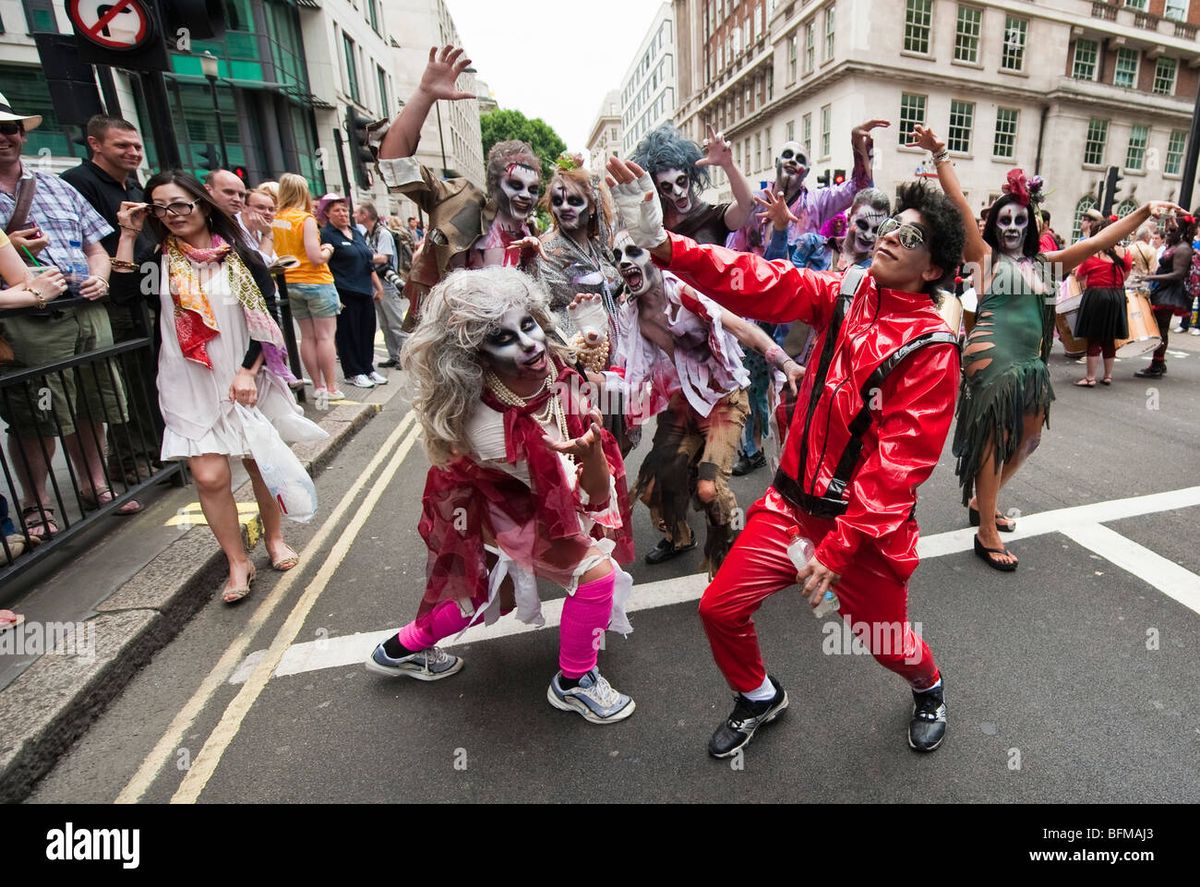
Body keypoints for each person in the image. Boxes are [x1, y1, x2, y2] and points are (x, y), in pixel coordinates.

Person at [607, 154, 963, 757]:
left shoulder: (931, 346)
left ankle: (928, 685)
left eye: (913, 236)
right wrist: (661, 243)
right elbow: (759, 278)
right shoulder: (845, 290)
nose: (892, 237)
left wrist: (841, 547)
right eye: (892, 225)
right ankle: (758, 695)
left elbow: (898, 467)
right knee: (720, 608)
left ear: (933, 267)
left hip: (861, 533)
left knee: (887, 643)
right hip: (789, 508)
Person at [366, 266, 637, 724]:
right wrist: (591, 453)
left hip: (502, 505)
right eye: (502, 338)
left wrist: (586, 341)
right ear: (473, 354)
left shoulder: (534, 368)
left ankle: (398, 651)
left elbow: (565, 368)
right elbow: (588, 501)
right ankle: (574, 682)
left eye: (527, 324)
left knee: (488, 594)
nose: (529, 344)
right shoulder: (495, 431)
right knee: (595, 575)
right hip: (518, 512)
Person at [911, 125, 1180, 571]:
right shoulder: (985, 259)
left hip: (1031, 363)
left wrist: (1145, 212)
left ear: (1031, 225)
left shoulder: (1047, 264)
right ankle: (986, 530)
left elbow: (1099, 241)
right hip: (990, 356)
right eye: (1005, 219)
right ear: (994, 225)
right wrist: (940, 152)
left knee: (1030, 437)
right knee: (994, 438)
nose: (1013, 226)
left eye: (1020, 219)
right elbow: (959, 203)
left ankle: (985, 499)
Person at [111, 172, 323, 603]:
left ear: (202, 205)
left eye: (180, 205)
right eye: (160, 208)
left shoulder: (242, 256)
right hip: (187, 378)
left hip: (244, 375)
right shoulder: (157, 258)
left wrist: (248, 371)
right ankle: (236, 561)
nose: (171, 215)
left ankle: (274, 539)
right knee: (208, 477)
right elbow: (121, 296)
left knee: (260, 464)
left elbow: (266, 320)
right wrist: (128, 234)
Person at [598, 229, 802, 575]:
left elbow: (739, 328)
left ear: (654, 257)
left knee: (708, 489)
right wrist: (579, 378)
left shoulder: (687, 295)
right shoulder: (632, 316)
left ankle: (727, 543)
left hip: (723, 400)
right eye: (618, 257)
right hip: (683, 403)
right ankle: (680, 537)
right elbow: (626, 373)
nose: (624, 262)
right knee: (652, 484)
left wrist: (783, 361)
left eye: (634, 251)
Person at [0, 92, 129, 538]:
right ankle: (37, 503)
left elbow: (96, 246)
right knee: (38, 414)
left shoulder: (55, 184)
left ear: (21, 133)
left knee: (93, 401)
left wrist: (101, 278)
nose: (4, 137)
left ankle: (95, 484)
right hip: (26, 319)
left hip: (86, 308)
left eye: (10, 128)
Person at [375, 46, 542, 331]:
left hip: (510, 348)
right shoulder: (460, 201)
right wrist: (425, 95)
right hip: (455, 340)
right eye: (515, 185)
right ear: (495, 183)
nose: (525, 195)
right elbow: (394, 162)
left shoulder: (530, 236)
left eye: (533, 189)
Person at [61, 114, 157, 497]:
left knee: (145, 375)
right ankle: (128, 459)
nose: (133, 152)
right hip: (109, 299)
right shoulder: (77, 184)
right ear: (95, 144)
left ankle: (151, 450)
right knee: (122, 383)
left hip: (142, 294)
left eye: (136, 146)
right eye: (122, 145)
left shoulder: (133, 183)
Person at [727, 121, 885, 255]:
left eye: (800, 159)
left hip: (797, 287)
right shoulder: (754, 201)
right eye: (787, 155)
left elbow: (860, 187)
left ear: (807, 171)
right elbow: (731, 252)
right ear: (776, 162)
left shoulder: (816, 202)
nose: (793, 161)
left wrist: (857, 144)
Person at [273, 173, 341, 399]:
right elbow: (316, 257)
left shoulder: (277, 219)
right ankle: (331, 388)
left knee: (308, 337)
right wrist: (329, 249)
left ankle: (318, 387)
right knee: (325, 337)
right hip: (315, 282)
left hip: (290, 283)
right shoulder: (305, 219)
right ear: (303, 192)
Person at [630, 122, 755, 245]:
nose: (677, 192)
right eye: (667, 186)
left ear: (690, 176)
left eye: (681, 181)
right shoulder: (656, 223)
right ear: (658, 188)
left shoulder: (712, 217)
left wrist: (728, 164)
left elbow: (747, 204)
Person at [536, 154, 621, 334]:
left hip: (615, 345)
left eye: (574, 201)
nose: (565, 207)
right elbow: (539, 308)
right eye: (558, 201)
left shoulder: (598, 247)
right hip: (576, 350)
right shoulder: (546, 250)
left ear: (591, 207)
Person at [319, 194, 385, 389]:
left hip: (365, 291)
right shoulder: (327, 235)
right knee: (348, 334)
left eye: (344, 210)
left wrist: (378, 286)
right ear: (328, 214)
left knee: (367, 332)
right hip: (344, 291)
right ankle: (353, 372)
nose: (342, 213)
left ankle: (368, 368)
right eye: (336, 210)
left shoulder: (356, 232)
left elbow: (367, 261)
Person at [1135, 212, 1196, 379]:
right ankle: (1159, 363)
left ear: (1181, 230)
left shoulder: (1183, 248)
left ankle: (1156, 365)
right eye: (1168, 229)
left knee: (1161, 329)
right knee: (1160, 328)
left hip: (1170, 294)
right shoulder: (1175, 245)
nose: (1168, 231)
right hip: (1163, 290)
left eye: (1172, 229)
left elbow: (1178, 274)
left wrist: (1150, 277)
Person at [1071, 215, 1130, 387]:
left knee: (1094, 338)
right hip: (1117, 295)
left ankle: (1090, 377)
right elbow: (1125, 276)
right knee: (1109, 338)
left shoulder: (1092, 254)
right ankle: (1108, 375)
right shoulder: (1125, 252)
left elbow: (1079, 276)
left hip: (1097, 296)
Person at [354, 200, 407, 369]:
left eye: (357, 212)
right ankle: (394, 355)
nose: (354, 215)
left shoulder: (382, 233)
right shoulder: (368, 234)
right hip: (376, 283)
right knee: (384, 323)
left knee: (395, 323)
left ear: (365, 215)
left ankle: (405, 357)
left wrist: (359, 256)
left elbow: (384, 257)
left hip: (388, 284)